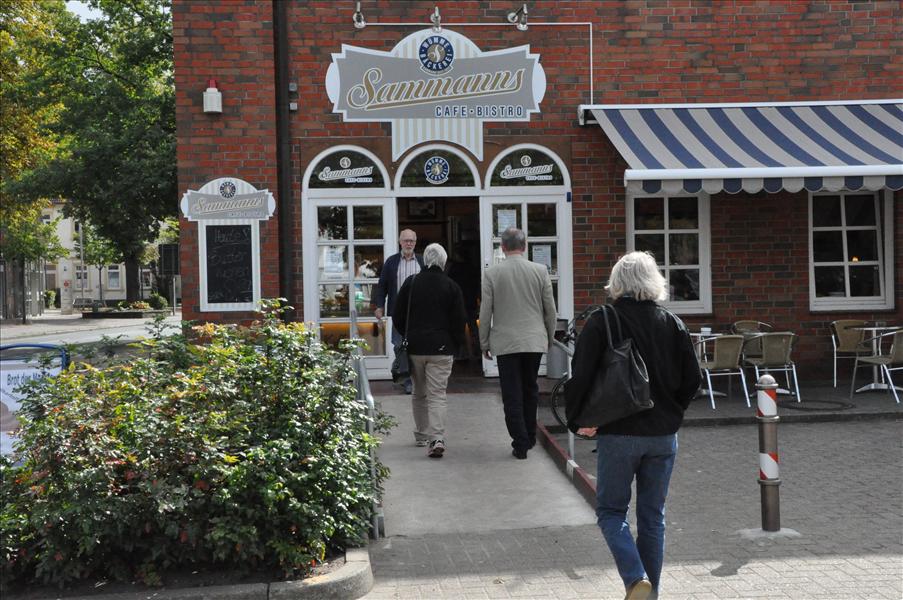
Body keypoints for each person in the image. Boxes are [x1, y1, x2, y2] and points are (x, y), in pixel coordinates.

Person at [565, 251, 701, 600]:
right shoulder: (672, 322)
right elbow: (692, 380)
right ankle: (649, 593)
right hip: (663, 436)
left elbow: (580, 377)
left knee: (611, 512)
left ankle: (635, 577)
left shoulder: (602, 320)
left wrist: (578, 420)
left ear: (618, 282)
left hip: (618, 432)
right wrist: (672, 413)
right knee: (653, 517)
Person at [479, 227, 557, 459]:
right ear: (524, 246)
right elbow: (550, 310)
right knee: (530, 388)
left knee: (511, 392)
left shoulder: (492, 274)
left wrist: (484, 342)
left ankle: (520, 441)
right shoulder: (540, 270)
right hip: (534, 339)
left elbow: (486, 312)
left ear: (502, 247)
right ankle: (530, 435)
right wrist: (549, 336)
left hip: (505, 342)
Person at [393, 243, 466, 458]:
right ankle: (437, 437)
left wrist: (408, 335)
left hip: (415, 347)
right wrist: (456, 344)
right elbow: (459, 320)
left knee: (418, 392)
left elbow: (398, 316)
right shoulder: (451, 286)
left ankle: (421, 434)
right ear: (443, 262)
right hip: (442, 348)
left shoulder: (411, 283)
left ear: (424, 260)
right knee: (437, 395)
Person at [371, 229, 423, 394]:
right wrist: (379, 306)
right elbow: (382, 286)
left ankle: (415, 377)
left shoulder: (422, 262)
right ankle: (406, 378)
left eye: (412, 241)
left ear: (415, 242)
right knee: (399, 345)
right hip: (398, 311)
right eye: (406, 240)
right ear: (400, 242)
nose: (409, 244)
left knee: (417, 346)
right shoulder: (392, 262)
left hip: (418, 312)